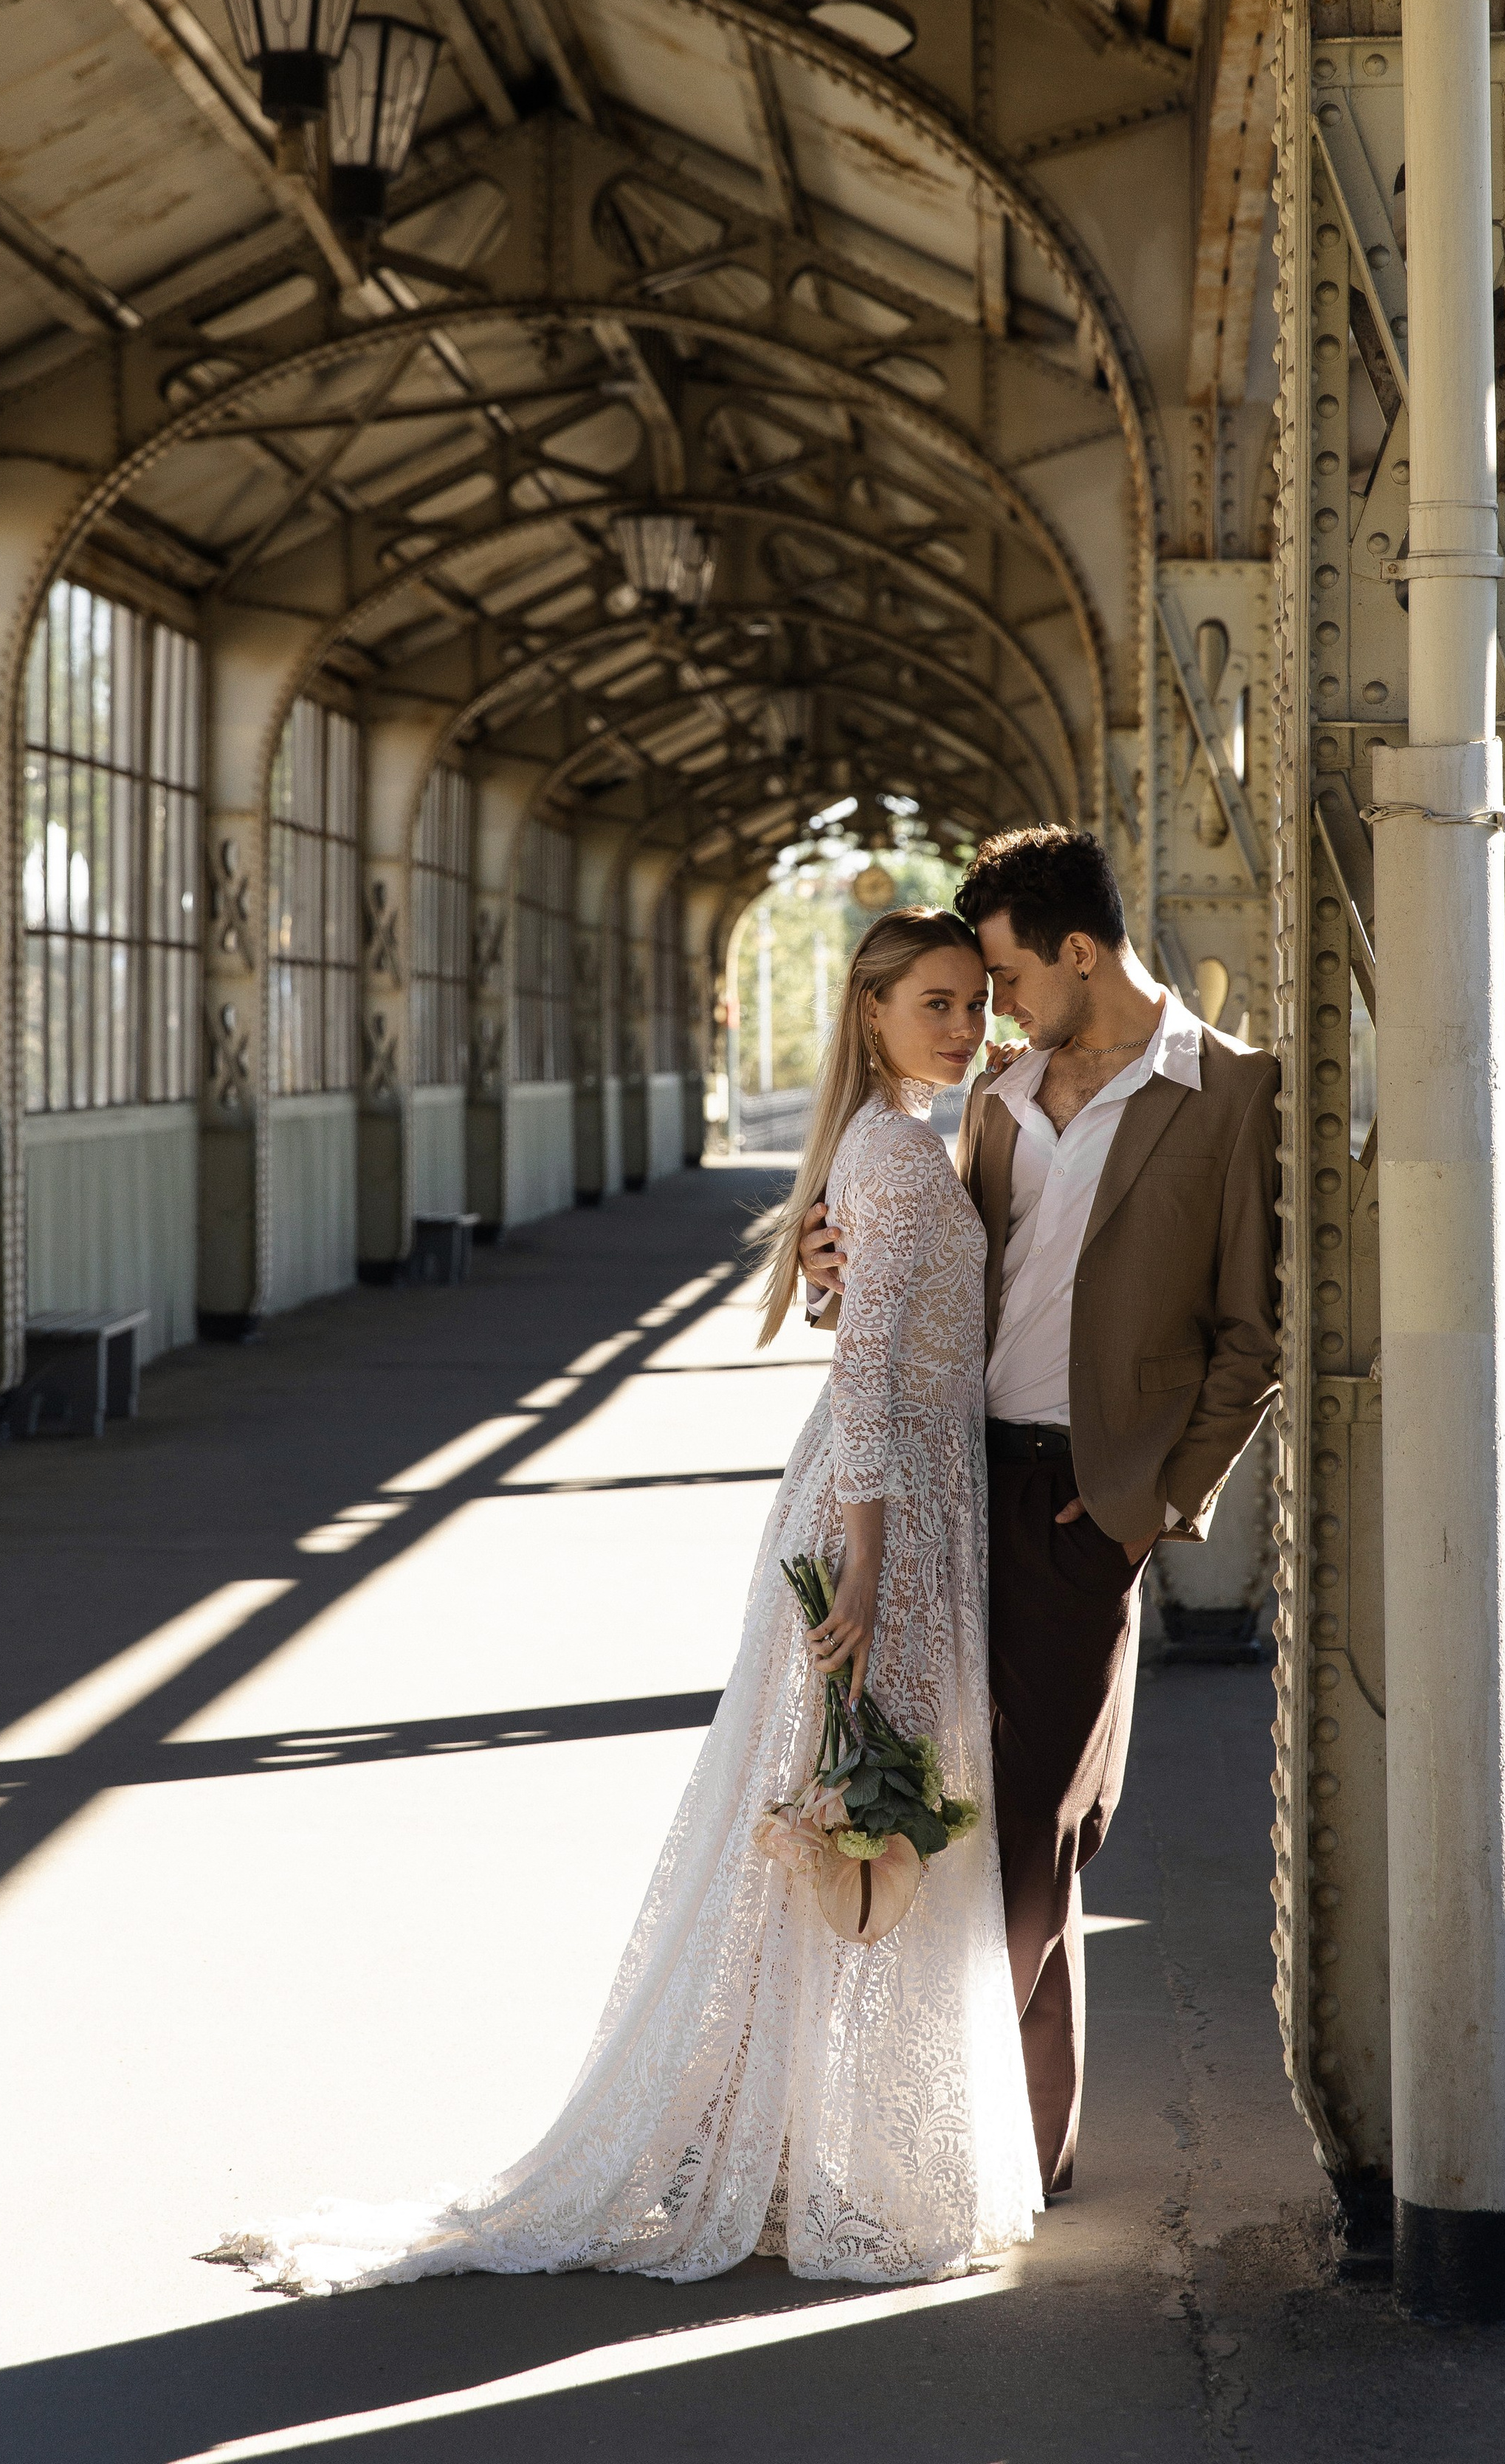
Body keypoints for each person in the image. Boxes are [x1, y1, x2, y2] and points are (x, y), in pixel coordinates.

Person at [210, 908, 1040, 2296]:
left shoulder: (894, 1141)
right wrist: (873, 1572)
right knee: (857, 1812)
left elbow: (882, 1327)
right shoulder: (894, 1157)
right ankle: (818, 2156)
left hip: (904, 1502)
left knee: (849, 1819)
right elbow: (872, 1380)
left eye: (975, 1004)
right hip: (887, 1515)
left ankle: (797, 2144)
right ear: (874, 1012)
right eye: (937, 1005)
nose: (963, 1028)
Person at [802, 826, 1280, 2198]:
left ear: (1081, 953)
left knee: (1042, 1825)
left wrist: (1144, 1514)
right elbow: (935, 1274)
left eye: (1003, 975)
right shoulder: (995, 1096)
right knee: (960, 1806)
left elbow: (1252, 1337)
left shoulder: (1233, 1094)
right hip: (955, 1478)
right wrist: (835, 1273)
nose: (988, 1007)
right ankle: (1015, 2144)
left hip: (1086, 1499)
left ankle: (948, 2131)